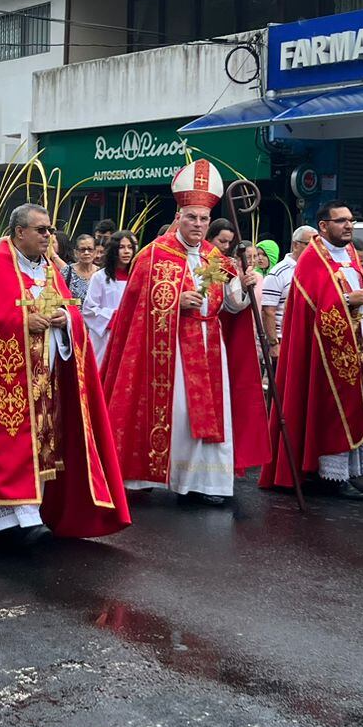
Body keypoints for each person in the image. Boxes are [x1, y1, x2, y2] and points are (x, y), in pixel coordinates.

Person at [0, 203, 131, 542]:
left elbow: (72, 313)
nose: (49, 236)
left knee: (42, 447)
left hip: (45, 381)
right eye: (41, 230)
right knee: (4, 444)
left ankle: (32, 514)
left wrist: (64, 319)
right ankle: (2, 522)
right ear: (19, 232)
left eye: (49, 229)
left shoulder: (49, 271)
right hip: (0, 383)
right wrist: (21, 323)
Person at [101, 161, 266, 507]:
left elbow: (229, 307)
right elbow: (136, 311)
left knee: (210, 416)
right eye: (192, 217)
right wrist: (176, 302)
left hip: (210, 346)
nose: (198, 225)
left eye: (204, 219)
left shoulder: (215, 257)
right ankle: (166, 476)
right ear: (179, 215)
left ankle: (206, 482)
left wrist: (244, 288)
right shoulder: (153, 255)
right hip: (171, 351)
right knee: (179, 415)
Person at [262, 203, 363, 498]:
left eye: (351, 220)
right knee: (331, 408)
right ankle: (328, 475)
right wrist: (350, 298)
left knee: (356, 406)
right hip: (321, 353)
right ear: (324, 226)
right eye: (341, 221)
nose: (349, 226)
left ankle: (351, 471)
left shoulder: (348, 254)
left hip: (355, 345)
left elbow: (355, 293)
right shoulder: (312, 259)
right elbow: (315, 308)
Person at [259, 226, 315, 361]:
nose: (315, 249)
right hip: (284, 339)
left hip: (310, 338)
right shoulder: (279, 273)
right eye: (310, 244)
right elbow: (268, 311)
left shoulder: (317, 269)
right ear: (296, 245)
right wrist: (274, 343)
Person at [82, 231, 134, 360]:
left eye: (130, 247)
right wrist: (116, 317)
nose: (126, 251)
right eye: (121, 247)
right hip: (106, 337)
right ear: (113, 250)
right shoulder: (100, 277)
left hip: (131, 335)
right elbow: (89, 310)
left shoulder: (136, 276)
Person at [61, 232, 99, 303]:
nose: (86, 253)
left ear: (95, 252)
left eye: (90, 249)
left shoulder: (101, 273)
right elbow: (61, 299)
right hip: (72, 313)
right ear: (75, 253)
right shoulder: (66, 272)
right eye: (82, 249)